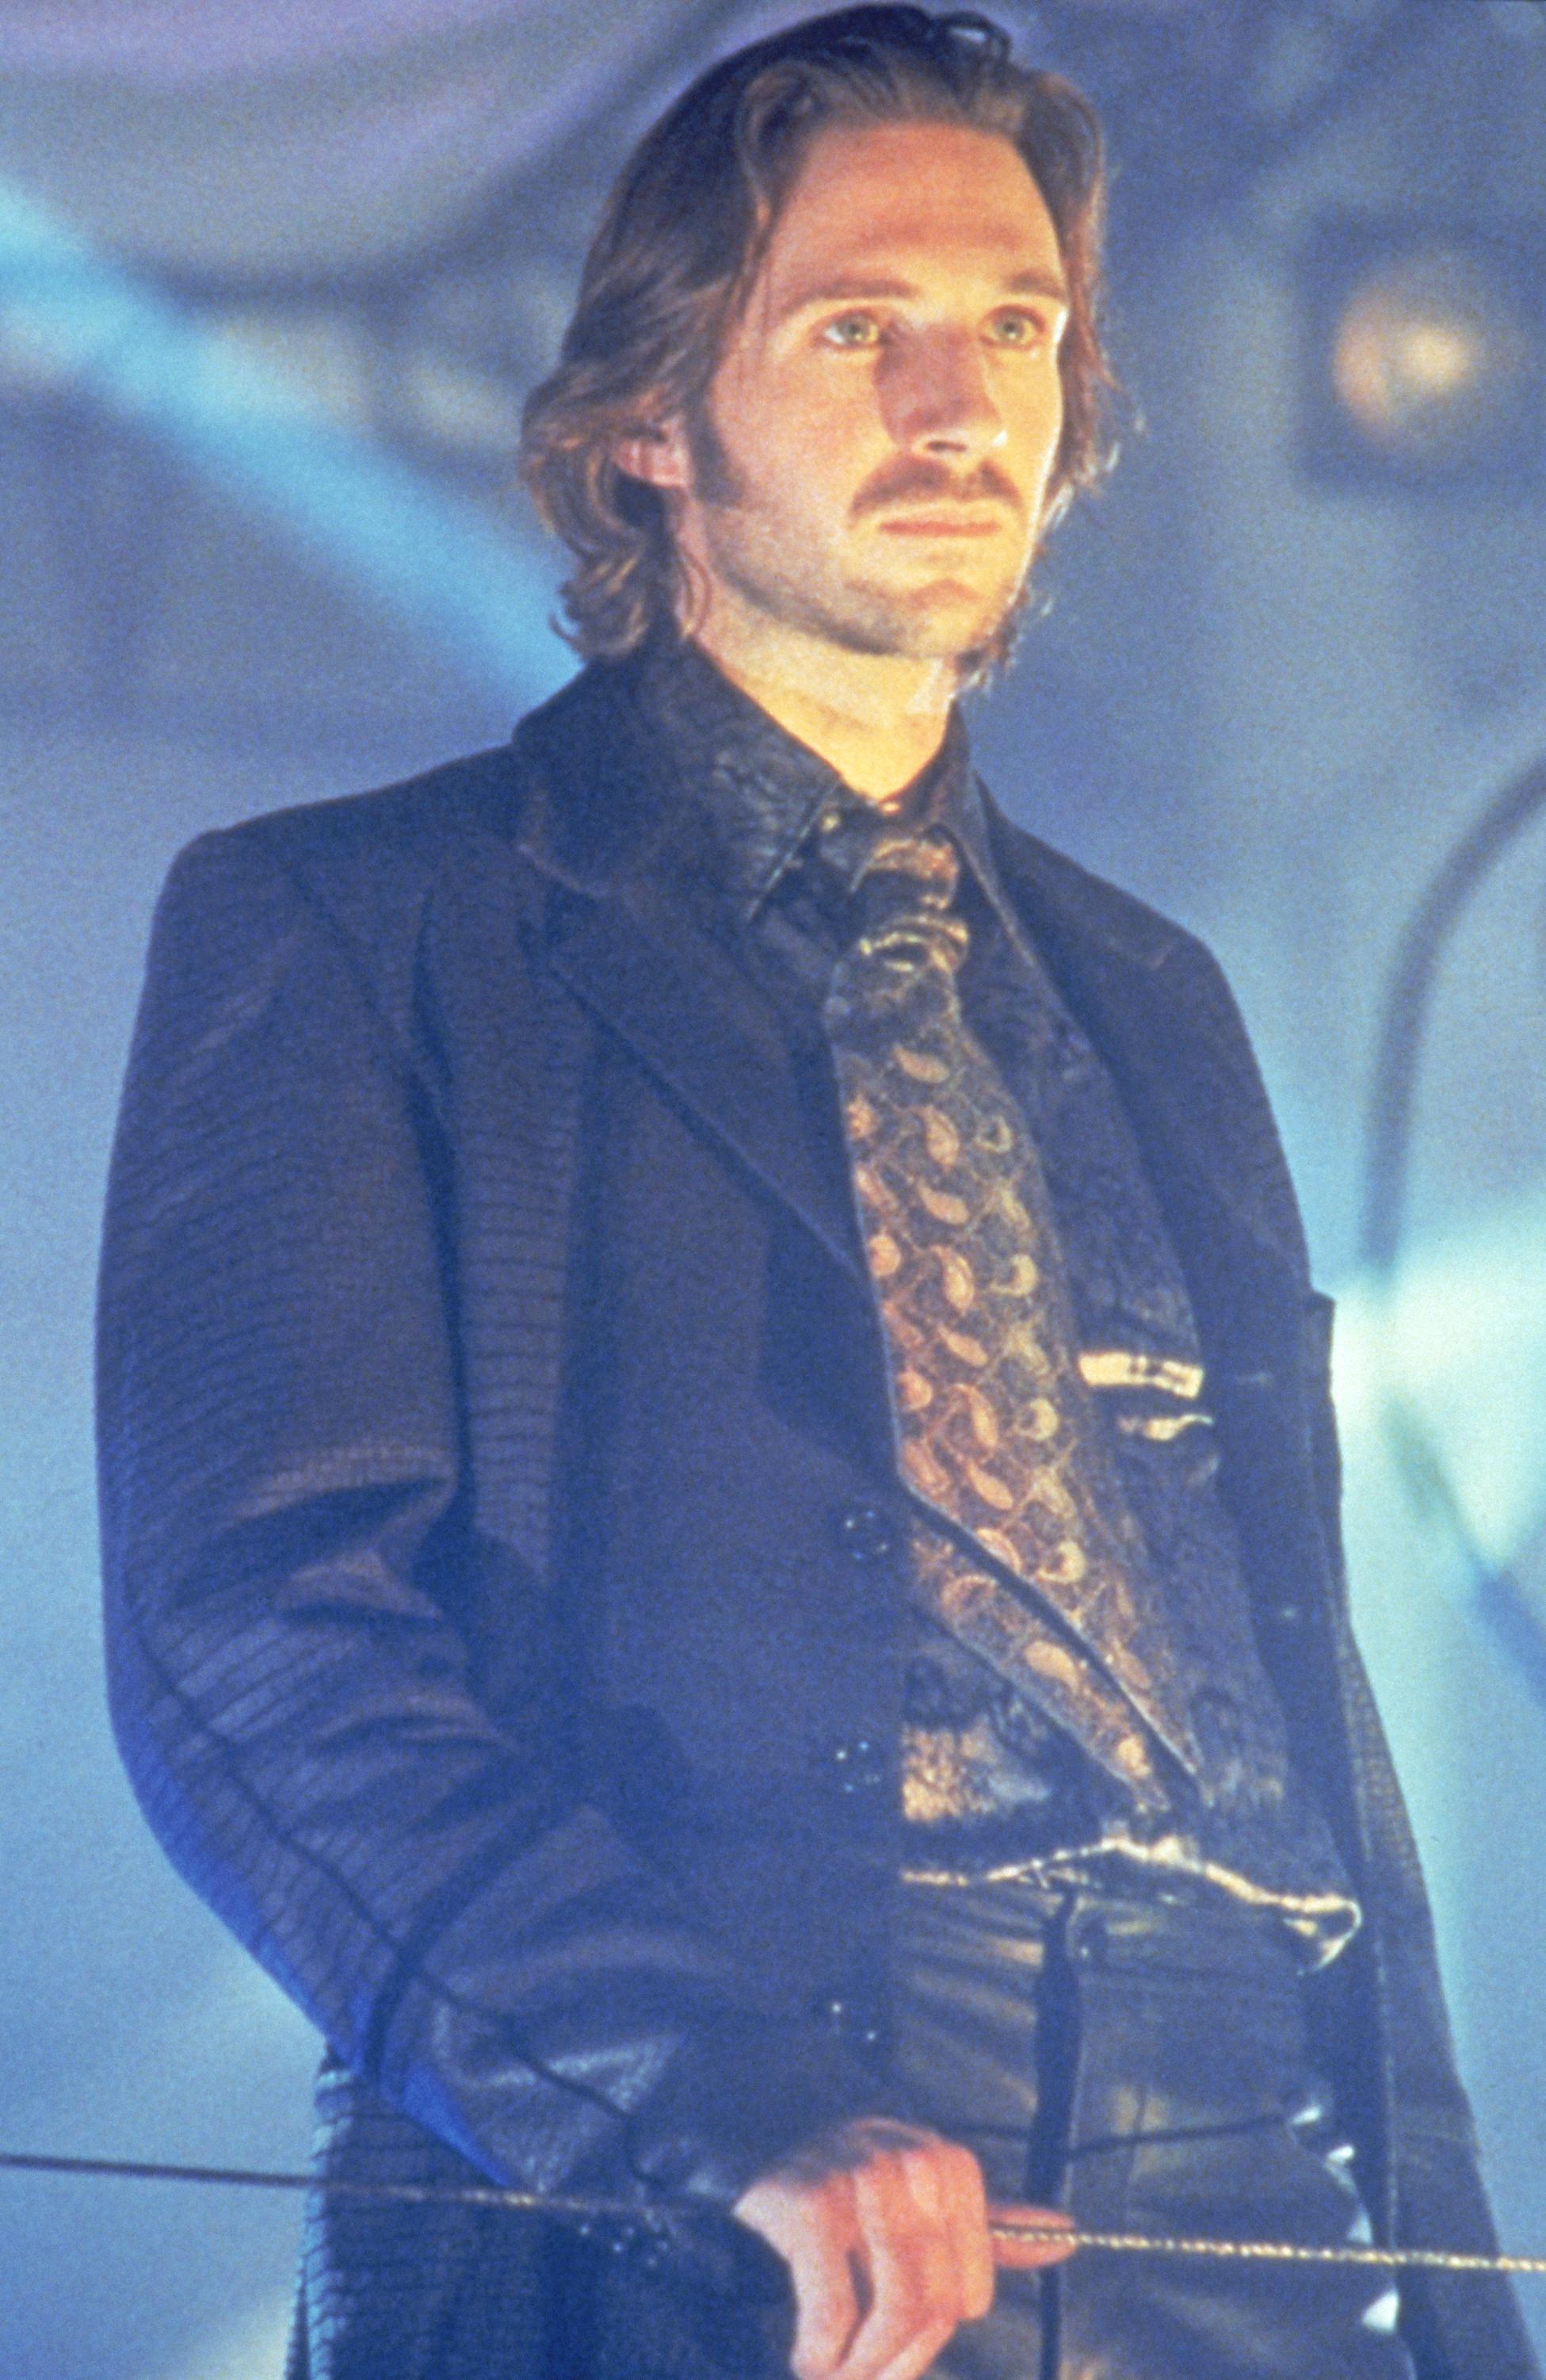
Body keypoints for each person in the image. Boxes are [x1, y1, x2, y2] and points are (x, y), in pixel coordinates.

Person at [97, 10, 1537, 2379]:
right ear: (651, 422)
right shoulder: (361, 928)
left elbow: (1304, 1680)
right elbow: (259, 1640)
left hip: (1267, 2181)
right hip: (740, 2194)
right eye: (861, 330)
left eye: (1018, 329)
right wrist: (712, 2102)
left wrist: (1451, 2282)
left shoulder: (1149, 990)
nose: (962, 406)